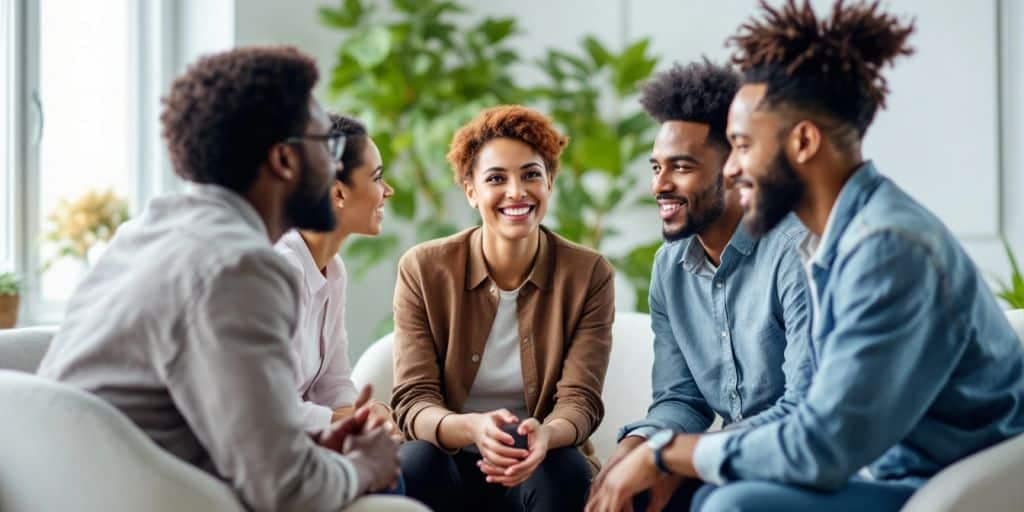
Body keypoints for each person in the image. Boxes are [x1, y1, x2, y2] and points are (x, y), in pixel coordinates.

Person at [586, 1, 1024, 511]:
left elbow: (821, 442)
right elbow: (813, 417)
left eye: (744, 146)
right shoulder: (840, 240)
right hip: (886, 469)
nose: (731, 170)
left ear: (804, 141)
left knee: (731, 504)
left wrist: (669, 453)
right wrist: (655, 447)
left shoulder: (887, 249)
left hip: (952, 485)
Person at [37, 46, 412, 511]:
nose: (332, 167)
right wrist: (363, 465)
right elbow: (286, 489)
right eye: (326, 146)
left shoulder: (150, 230)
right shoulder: (241, 267)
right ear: (284, 160)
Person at [589, 59, 812, 511]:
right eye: (656, 168)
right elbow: (681, 399)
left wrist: (675, 459)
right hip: (724, 459)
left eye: (682, 167)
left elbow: (804, 408)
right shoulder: (669, 267)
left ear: (734, 167)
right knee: (622, 485)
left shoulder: (795, 253)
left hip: (795, 461)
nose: (660, 186)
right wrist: (637, 446)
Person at [391, 105, 615, 511]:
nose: (516, 192)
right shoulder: (424, 269)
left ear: (550, 182)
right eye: (496, 178)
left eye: (531, 174)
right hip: (450, 463)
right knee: (416, 459)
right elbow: (412, 399)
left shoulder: (588, 274)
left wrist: (544, 435)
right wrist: (471, 429)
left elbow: (580, 401)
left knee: (565, 469)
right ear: (471, 190)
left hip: (537, 462)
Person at [275, 113, 397, 435]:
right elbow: (269, 406)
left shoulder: (333, 271)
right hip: (263, 451)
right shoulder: (281, 270)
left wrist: (365, 416)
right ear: (338, 193)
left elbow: (334, 384)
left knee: (413, 459)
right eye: (377, 177)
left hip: (304, 443)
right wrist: (348, 422)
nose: (388, 191)